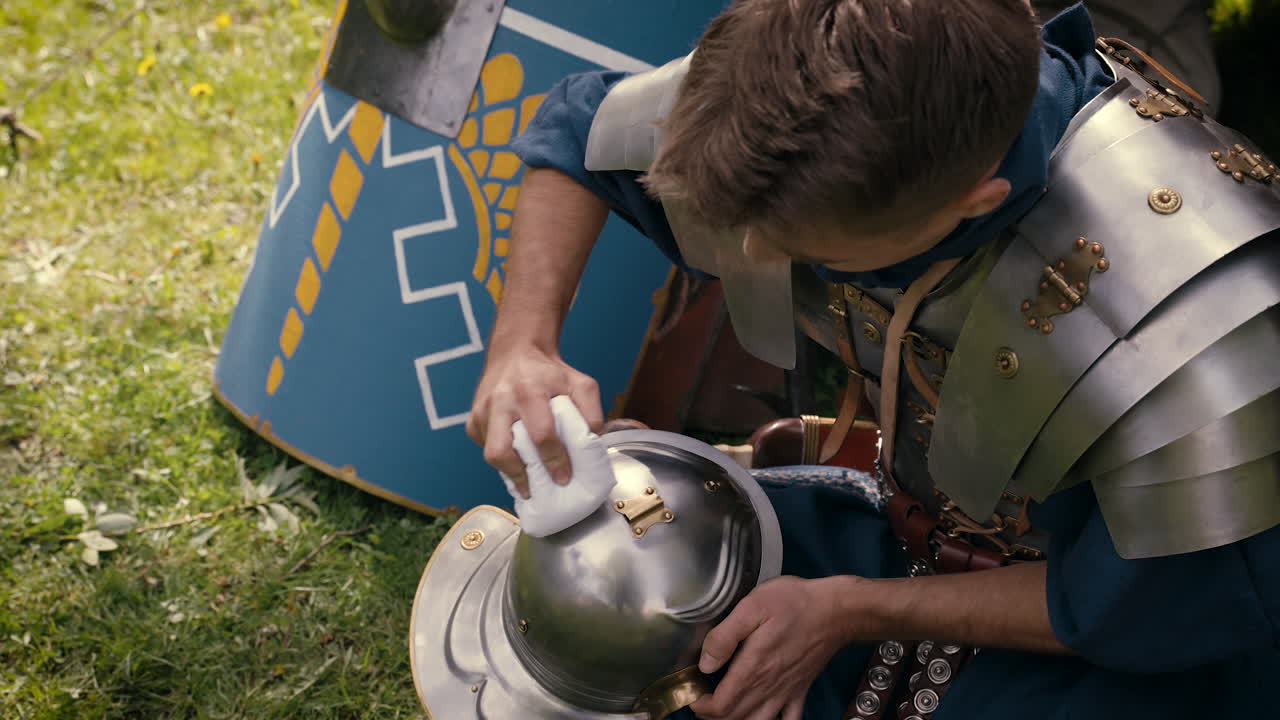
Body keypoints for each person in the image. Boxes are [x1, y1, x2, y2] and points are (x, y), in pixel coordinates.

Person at [466, 1, 1280, 718]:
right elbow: (582, 134)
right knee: (611, 617)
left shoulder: (1201, 305)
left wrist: (852, 611)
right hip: (900, 527)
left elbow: (1153, 605)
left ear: (974, 203)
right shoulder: (821, 74)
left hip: (1116, 626)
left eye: (798, 247)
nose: (749, 253)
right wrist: (523, 344)